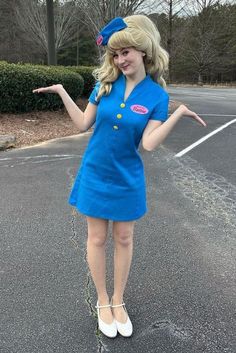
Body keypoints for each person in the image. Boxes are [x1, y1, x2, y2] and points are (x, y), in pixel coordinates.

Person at [33, 15, 206, 339]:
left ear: (143, 52)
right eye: (115, 54)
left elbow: (150, 144)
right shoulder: (105, 85)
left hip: (128, 177)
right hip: (96, 172)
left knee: (124, 238)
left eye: (126, 52)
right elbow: (84, 124)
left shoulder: (157, 97)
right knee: (97, 239)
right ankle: (102, 301)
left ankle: (118, 301)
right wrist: (62, 92)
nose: (120, 59)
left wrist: (178, 114)